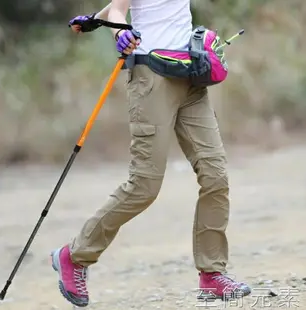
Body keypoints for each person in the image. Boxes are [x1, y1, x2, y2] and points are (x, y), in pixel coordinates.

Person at [50, 0, 251, 307]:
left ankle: (212, 274)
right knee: (145, 185)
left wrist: (94, 19)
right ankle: (74, 255)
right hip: (151, 78)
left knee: (216, 176)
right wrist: (119, 31)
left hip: (190, 73)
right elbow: (120, 8)